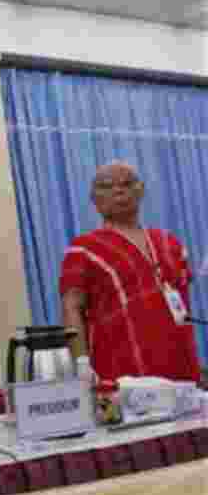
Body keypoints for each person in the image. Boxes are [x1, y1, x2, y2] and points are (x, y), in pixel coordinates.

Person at [61, 162, 203, 385]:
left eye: (127, 183)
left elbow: (183, 307)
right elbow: (71, 308)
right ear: (94, 199)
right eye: (107, 186)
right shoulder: (83, 249)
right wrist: (81, 365)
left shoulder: (170, 243)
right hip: (121, 374)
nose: (118, 190)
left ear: (141, 190)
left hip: (182, 370)